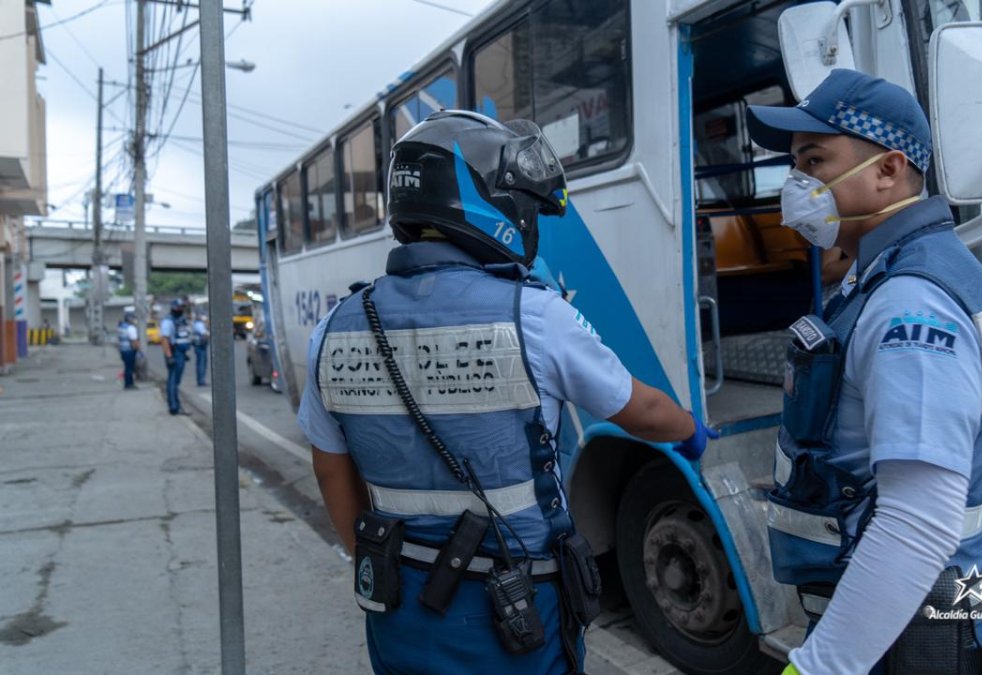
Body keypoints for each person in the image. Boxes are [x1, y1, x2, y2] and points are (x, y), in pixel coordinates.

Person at [297, 110, 715, 675]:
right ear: (489, 204)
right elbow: (640, 410)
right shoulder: (534, 314)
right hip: (514, 608)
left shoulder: (335, 328)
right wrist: (689, 431)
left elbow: (330, 471)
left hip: (396, 606)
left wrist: (372, 562)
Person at [746, 70, 982, 674]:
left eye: (815, 160)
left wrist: (817, 667)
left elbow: (919, 519)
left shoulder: (909, 301)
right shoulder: (893, 273)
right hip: (907, 614)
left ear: (889, 171)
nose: (799, 184)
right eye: (796, 166)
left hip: (915, 628)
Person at [159, 298, 193, 415]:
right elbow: (165, 339)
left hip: (181, 353)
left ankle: (176, 405)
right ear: (173, 308)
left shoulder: (181, 320)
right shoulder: (168, 321)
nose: (181, 309)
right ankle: (174, 407)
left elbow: (183, 336)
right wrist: (169, 356)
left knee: (176, 381)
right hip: (174, 353)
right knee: (173, 381)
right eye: (179, 307)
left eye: (182, 307)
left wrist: (184, 353)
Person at [116, 311, 140, 390]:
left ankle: (128, 383)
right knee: (130, 368)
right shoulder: (131, 328)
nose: (134, 319)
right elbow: (134, 341)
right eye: (133, 318)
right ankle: (129, 384)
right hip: (129, 350)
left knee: (127, 367)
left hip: (123, 350)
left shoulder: (121, 327)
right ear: (129, 319)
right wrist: (137, 349)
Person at [192, 312, 210, 387]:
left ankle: (201, 379)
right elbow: (204, 334)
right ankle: (201, 380)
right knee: (201, 363)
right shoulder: (199, 324)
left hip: (199, 345)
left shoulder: (196, 324)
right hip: (200, 346)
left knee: (201, 363)